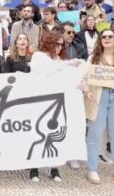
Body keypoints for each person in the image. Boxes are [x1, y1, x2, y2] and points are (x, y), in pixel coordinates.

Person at [83, 28, 114, 184]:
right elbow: (84, 78)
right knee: (94, 135)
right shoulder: (93, 58)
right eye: (103, 36)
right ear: (100, 40)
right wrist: (86, 91)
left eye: (110, 36)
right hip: (99, 97)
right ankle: (92, 169)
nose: (106, 38)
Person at [29, 31, 80, 181]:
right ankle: (34, 168)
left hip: (58, 102)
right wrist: (66, 65)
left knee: (56, 135)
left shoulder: (61, 60)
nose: (58, 47)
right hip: (40, 100)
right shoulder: (38, 56)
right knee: (38, 134)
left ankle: (54, 168)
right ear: (49, 43)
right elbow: (45, 70)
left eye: (61, 45)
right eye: (56, 44)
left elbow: (68, 79)